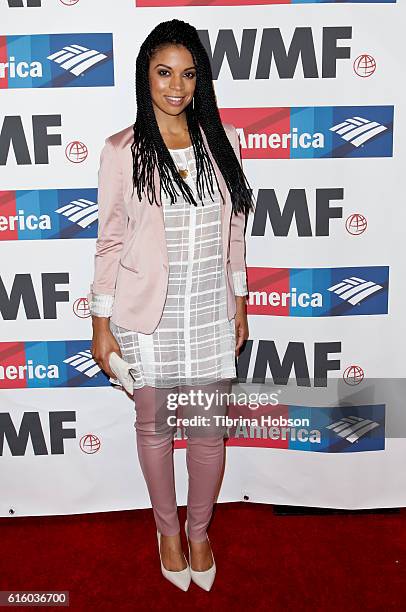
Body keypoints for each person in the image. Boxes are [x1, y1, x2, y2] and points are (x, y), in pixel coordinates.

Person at [89, 19, 255, 592]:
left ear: (200, 80)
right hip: (147, 317)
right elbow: (109, 241)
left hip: (209, 308)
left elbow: (234, 232)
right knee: (155, 429)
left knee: (209, 433)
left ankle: (201, 530)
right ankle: (167, 531)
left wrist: (238, 299)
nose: (176, 86)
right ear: (146, 77)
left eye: (187, 74)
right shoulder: (122, 150)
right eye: (164, 73)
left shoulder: (221, 143)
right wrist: (101, 323)